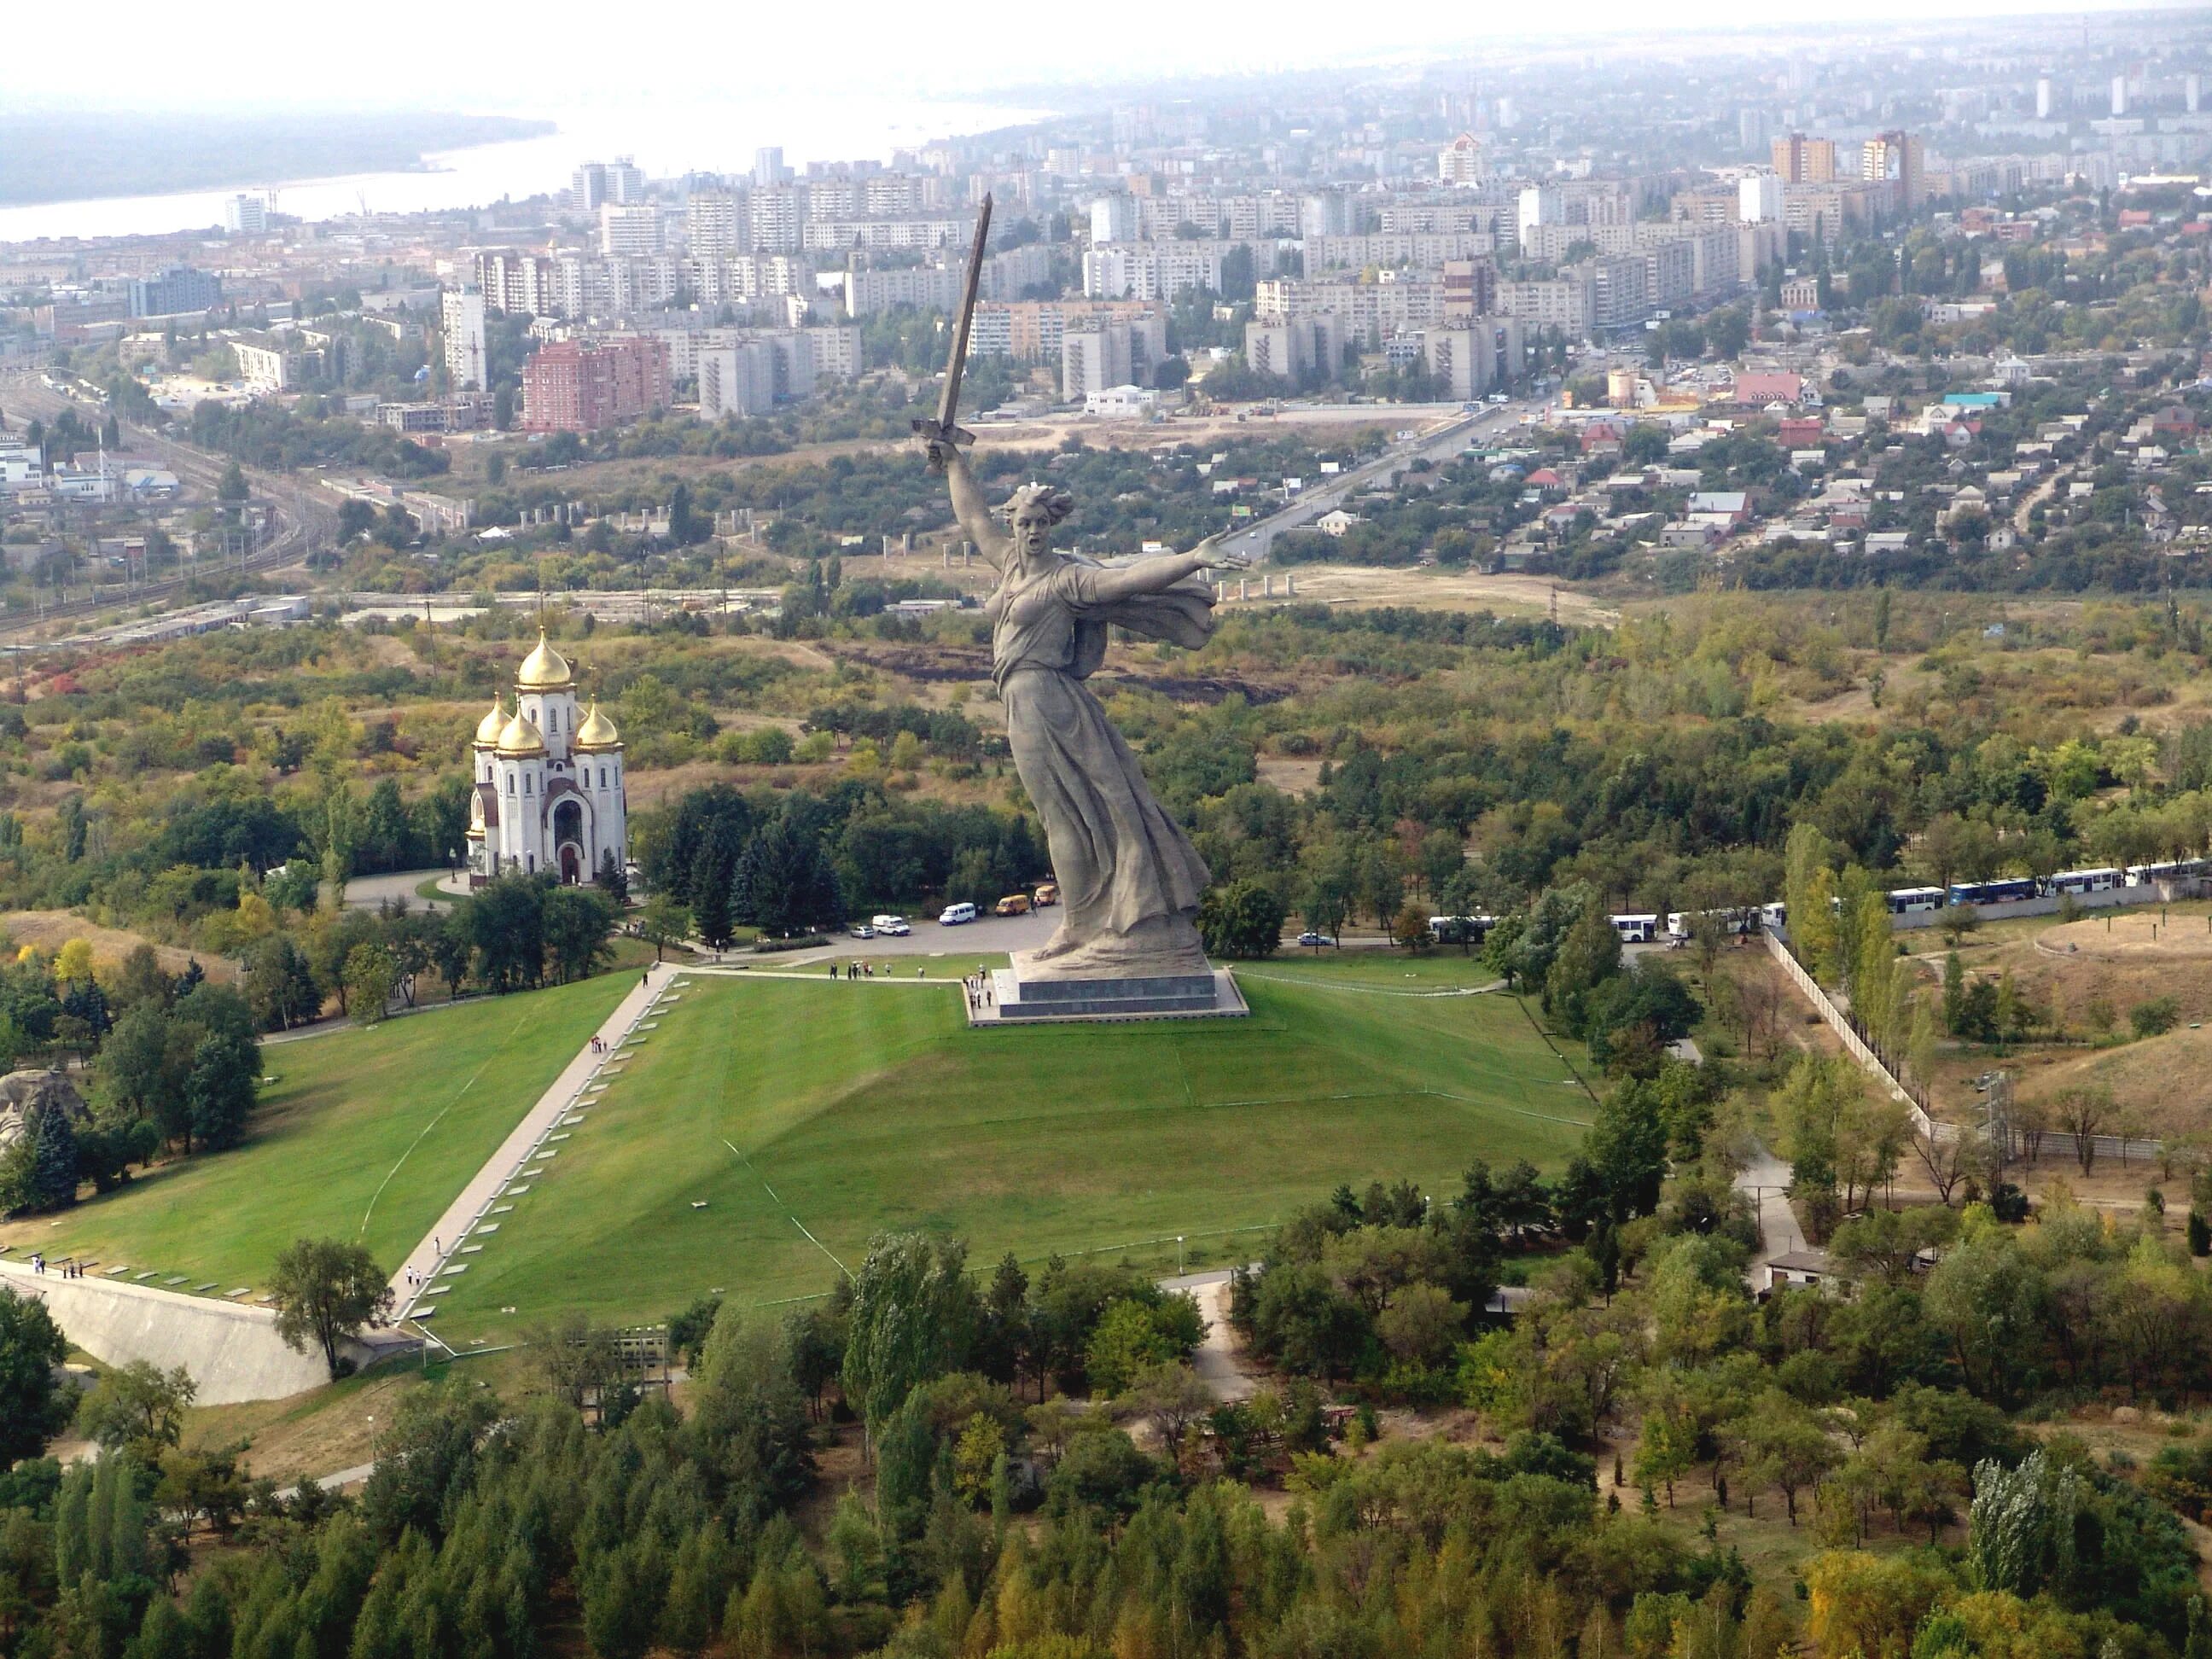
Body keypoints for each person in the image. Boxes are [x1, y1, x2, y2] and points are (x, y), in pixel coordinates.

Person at [930, 439, 1246, 979]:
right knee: (1068, 814)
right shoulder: (1009, 567)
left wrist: (1192, 558)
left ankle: (1080, 925)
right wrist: (955, 461)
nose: (1032, 532)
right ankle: (1086, 920)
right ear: (1016, 525)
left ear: (1052, 527)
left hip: (1047, 701)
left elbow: (1125, 580)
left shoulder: (1067, 579)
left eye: (1041, 524)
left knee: (1072, 814)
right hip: (1023, 702)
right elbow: (974, 519)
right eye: (1025, 522)